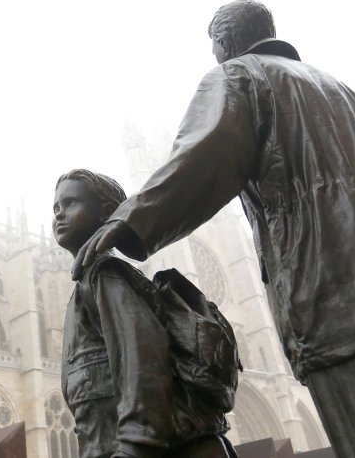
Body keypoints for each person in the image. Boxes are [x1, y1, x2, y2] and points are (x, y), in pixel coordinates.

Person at [74, 0, 355, 458]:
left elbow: (202, 159)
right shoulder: (338, 88)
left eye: (213, 43)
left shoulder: (238, 76)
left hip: (334, 285)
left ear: (223, 41)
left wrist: (128, 221)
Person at [54, 169, 236, 458]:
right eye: (56, 207)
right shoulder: (88, 282)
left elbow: (142, 353)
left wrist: (135, 447)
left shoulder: (104, 274)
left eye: (71, 203)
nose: (59, 215)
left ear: (106, 214)